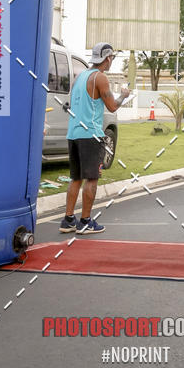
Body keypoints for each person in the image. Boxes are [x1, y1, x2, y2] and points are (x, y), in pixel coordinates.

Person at [59, 42, 129, 234]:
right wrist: (123, 95)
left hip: (73, 133)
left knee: (75, 178)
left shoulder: (80, 76)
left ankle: (68, 220)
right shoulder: (100, 78)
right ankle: (85, 221)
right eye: (112, 58)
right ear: (107, 58)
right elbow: (112, 106)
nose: (112, 61)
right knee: (91, 178)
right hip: (90, 134)